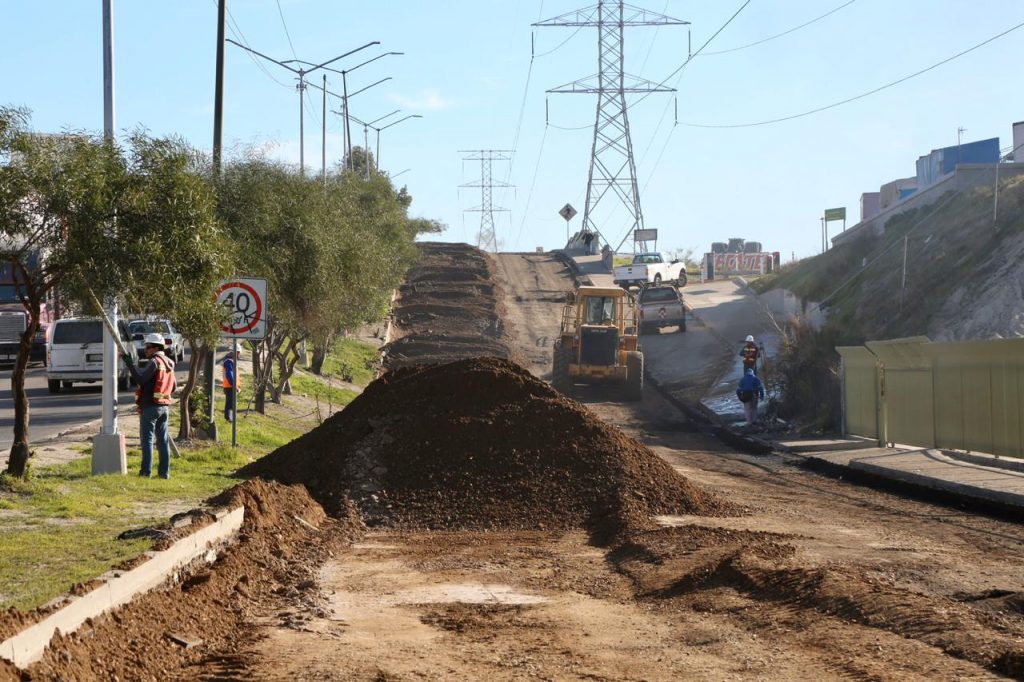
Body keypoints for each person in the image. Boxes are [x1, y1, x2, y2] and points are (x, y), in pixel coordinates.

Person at [121, 333, 176, 479]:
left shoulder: (155, 362)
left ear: (156, 347)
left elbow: (140, 378)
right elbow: (174, 386)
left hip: (151, 407)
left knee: (147, 441)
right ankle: (164, 474)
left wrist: (129, 364)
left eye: (148, 347)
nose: (145, 350)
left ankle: (145, 473)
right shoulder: (169, 362)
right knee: (163, 441)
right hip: (164, 407)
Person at [222, 349, 240, 423]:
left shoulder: (229, 361)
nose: (239, 355)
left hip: (229, 386)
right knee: (231, 404)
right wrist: (234, 386)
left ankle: (229, 419)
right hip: (230, 386)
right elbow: (229, 375)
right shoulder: (229, 361)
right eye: (239, 353)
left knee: (230, 403)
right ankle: (230, 419)